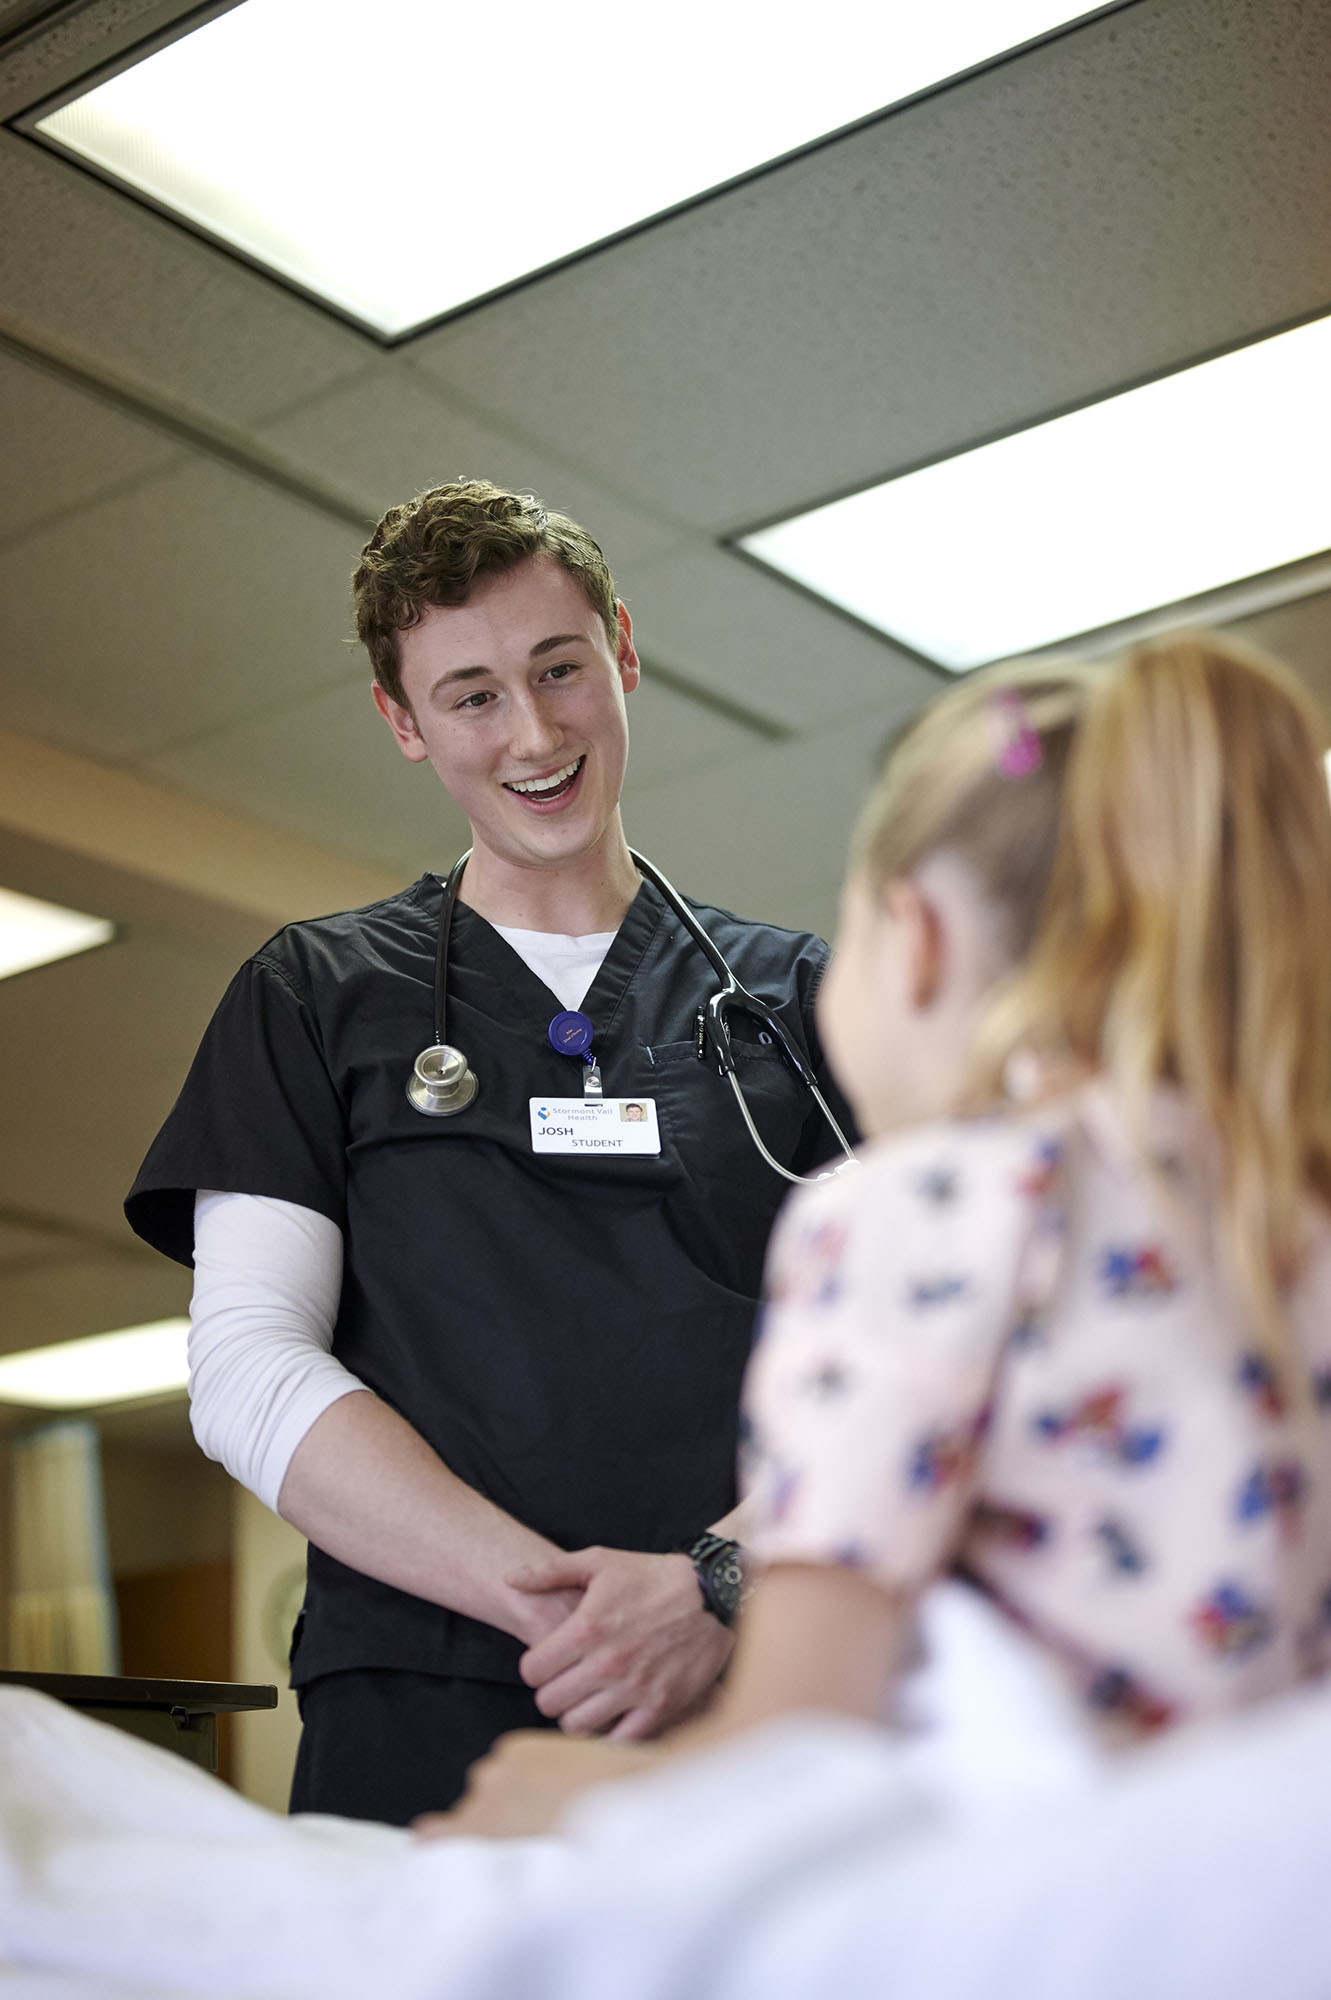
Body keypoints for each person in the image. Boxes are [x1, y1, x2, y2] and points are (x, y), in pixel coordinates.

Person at [435, 630, 1331, 1837]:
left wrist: (563, 1795)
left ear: (912, 938)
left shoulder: (930, 1210)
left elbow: (796, 1748)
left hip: (1067, 1903)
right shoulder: (1292, 1201)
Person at [124, 480, 853, 1825]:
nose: (532, 732)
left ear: (621, 652)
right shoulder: (315, 997)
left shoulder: (809, 1004)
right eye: (469, 695)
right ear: (403, 722)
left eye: (558, 669)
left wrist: (712, 1586)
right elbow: (244, 1368)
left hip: (756, 1701)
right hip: (426, 1694)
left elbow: (920, 1355)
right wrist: (574, 1610)